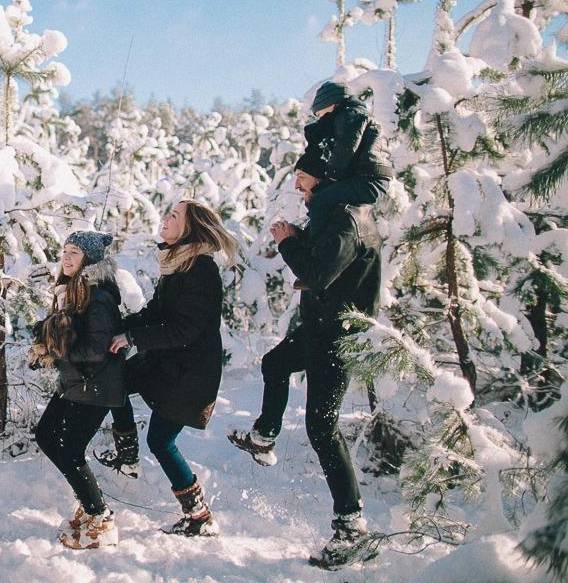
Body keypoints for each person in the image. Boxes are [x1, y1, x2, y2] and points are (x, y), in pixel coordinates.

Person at [227, 156, 384, 569]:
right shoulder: (335, 213)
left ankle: (352, 526)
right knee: (275, 365)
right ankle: (264, 437)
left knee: (322, 428)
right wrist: (300, 236)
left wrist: (288, 243)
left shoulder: (348, 219)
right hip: (320, 328)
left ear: (326, 176)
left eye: (302, 178)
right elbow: (325, 259)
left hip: (337, 336)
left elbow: (318, 270)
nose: (298, 187)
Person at [106, 200, 238, 537]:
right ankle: (128, 456)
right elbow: (158, 311)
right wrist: (121, 326)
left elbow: (184, 329)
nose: (165, 218)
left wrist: (133, 336)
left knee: (162, 441)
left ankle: (199, 516)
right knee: (114, 379)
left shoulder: (200, 269)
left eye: (174, 216)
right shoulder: (180, 262)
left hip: (189, 375)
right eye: (168, 212)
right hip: (168, 362)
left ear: (189, 229)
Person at [31, 230, 125, 550]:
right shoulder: (71, 290)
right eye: (65, 250)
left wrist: (58, 351)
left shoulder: (98, 296)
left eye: (75, 252)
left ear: (90, 259)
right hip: (76, 383)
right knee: (46, 435)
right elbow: (68, 334)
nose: (67, 257)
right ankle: (91, 506)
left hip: (96, 386)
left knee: (70, 450)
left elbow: (97, 348)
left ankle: (99, 517)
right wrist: (45, 339)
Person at [300, 80, 393, 236]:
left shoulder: (351, 114)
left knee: (319, 201)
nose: (321, 119)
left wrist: (332, 176)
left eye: (321, 114)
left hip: (370, 180)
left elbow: (346, 147)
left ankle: (315, 243)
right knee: (323, 197)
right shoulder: (349, 115)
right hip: (368, 178)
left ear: (332, 104)